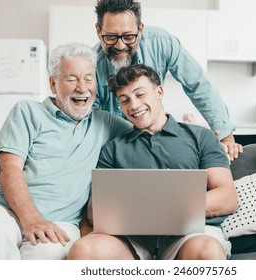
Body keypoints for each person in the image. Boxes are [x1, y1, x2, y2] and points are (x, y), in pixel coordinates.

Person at [0, 42, 132, 260]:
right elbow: (9, 168)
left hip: (60, 221)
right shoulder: (28, 111)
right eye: (71, 79)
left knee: (48, 250)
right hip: (0, 208)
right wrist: (31, 219)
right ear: (54, 84)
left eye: (88, 79)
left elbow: (146, 131)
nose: (82, 88)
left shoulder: (106, 123)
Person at [67, 64, 238, 260]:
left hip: (190, 234)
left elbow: (227, 198)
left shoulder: (201, 137)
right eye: (125, 100)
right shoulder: (112, 148)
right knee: (84, 250)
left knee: (206, 251)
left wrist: (165, 208)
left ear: (159, 92)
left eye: (140, 95)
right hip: (132, 238)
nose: (133, 105)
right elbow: (96, 211)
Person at [93, 0, 243, 161]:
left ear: (140, 29)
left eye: (129, 36)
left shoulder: (162, 42)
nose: (120, 45)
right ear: (98, 31)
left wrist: (225, 135)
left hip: (156, 137)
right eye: (111, 37)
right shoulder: (91, 66)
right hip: (116, 146)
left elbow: (198, 84)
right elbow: (89, 122)